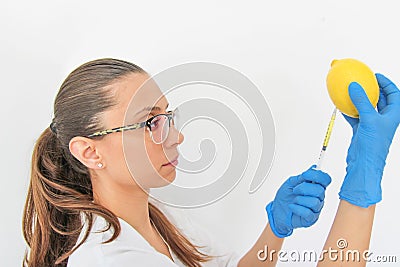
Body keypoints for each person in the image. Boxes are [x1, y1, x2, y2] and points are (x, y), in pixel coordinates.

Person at [22, 58, 400, 267]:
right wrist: (362, 183)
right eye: (151, 122)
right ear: (90, 152)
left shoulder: (159, 216)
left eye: (168, 117)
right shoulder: (113, 260)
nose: (176, 135)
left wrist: (275, 229)